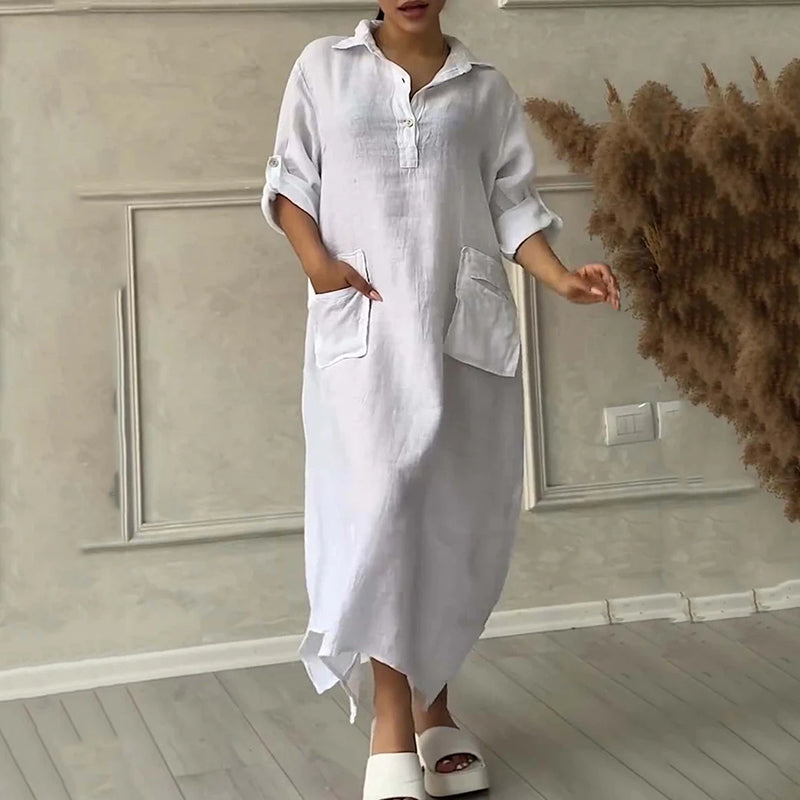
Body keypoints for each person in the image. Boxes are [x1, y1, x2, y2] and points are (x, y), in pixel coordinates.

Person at [261, 2, 620, 798]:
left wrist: (562, 278)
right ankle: (392, 719)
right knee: (383, 512)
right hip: (366, 331)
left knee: (447, 516)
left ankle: (436, 709)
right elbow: (291, 182)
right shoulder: (323, 68)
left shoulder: (485, 89)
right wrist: (317, 265)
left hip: (459, 333)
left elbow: (510, 204)